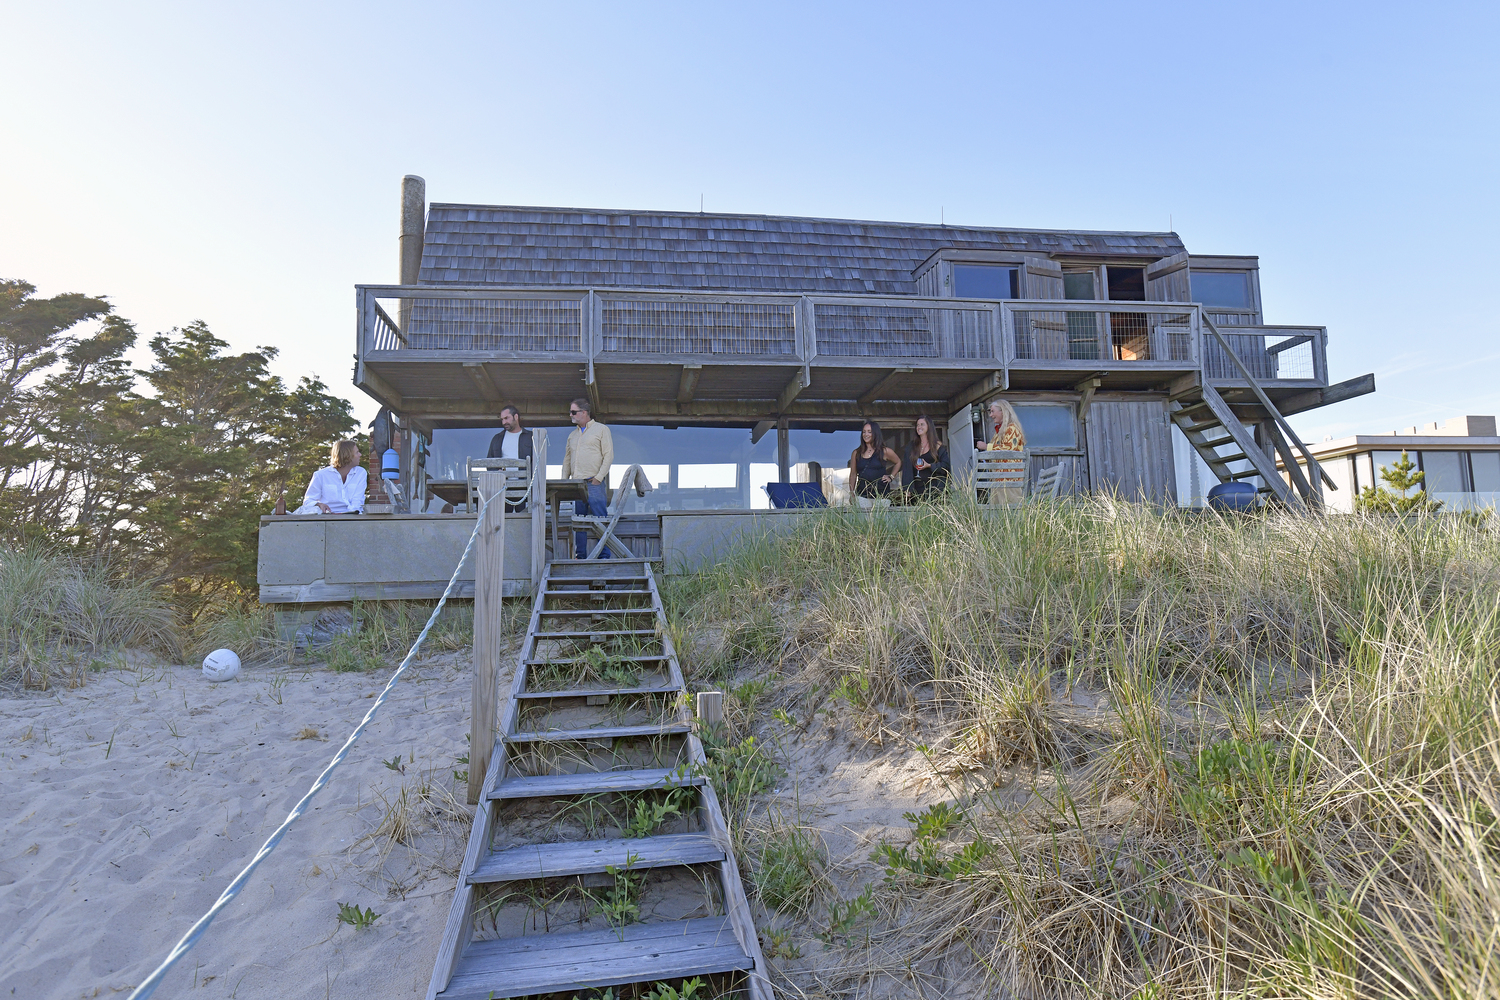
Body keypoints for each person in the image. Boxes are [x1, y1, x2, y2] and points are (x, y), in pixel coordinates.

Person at [561, 397, 614, 559]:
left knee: (600, 518)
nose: (571, 415)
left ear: (584, 413)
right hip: (577, 485)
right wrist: (565, 482)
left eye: (573, 412)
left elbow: (609, 455)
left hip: (594, 482)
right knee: (579, 521)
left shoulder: (601, 429)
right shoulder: (572, 435)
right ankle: (581, 555)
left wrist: (598, 478)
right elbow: (567, 460)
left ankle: (604, 555)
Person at [977, 399, 1026, 505]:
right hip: (1000, 479)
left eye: (993, 411)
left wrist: (986, 447)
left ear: (1002, 411)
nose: (991, 415)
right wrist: (987, 457)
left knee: (1010, 512)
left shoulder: (1012, 429)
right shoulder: (1000, 431)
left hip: (1009, 480)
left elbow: (1008, 450)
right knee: (999, 513)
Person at [297, 440, 367, 514]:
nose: (360, 455)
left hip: (353, 517)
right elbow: (308, 501)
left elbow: (357, 501)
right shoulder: (320, 475)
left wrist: (347, 514)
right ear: (347, 455)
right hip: (326, 519)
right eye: (357, 452)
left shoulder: (361, 473)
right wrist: (318, 504)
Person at [486, 404, 534, 512]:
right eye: (502, 419)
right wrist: (496, 471)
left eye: (506, 418)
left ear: (516, 417)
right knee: (503, 521)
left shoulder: (531, 437)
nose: (504, 422)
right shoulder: (497, 438)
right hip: (502, 487)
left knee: (526, 522)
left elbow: (537, 463)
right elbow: (489, 462)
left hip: (525, 487)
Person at [848, 420, 902, 500]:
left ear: (875, 434)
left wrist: (891, 477)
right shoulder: (856, 453)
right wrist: (852, 493)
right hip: (863, 494)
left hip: (882, 494)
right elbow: (853, 474)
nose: (866, 434)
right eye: (864, 432)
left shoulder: (884, 451)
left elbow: (898, 462)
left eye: (869, 432)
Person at [905, 414, 950, 500]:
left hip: (934, 488)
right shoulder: (911, 446)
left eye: (922, 424)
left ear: (929, 427)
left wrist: (930, 465)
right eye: (917, 425)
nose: (919, 427)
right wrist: (907, 487)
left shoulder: (938, 446)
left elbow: (946, 466)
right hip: (917, 489)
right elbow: (907, 467)